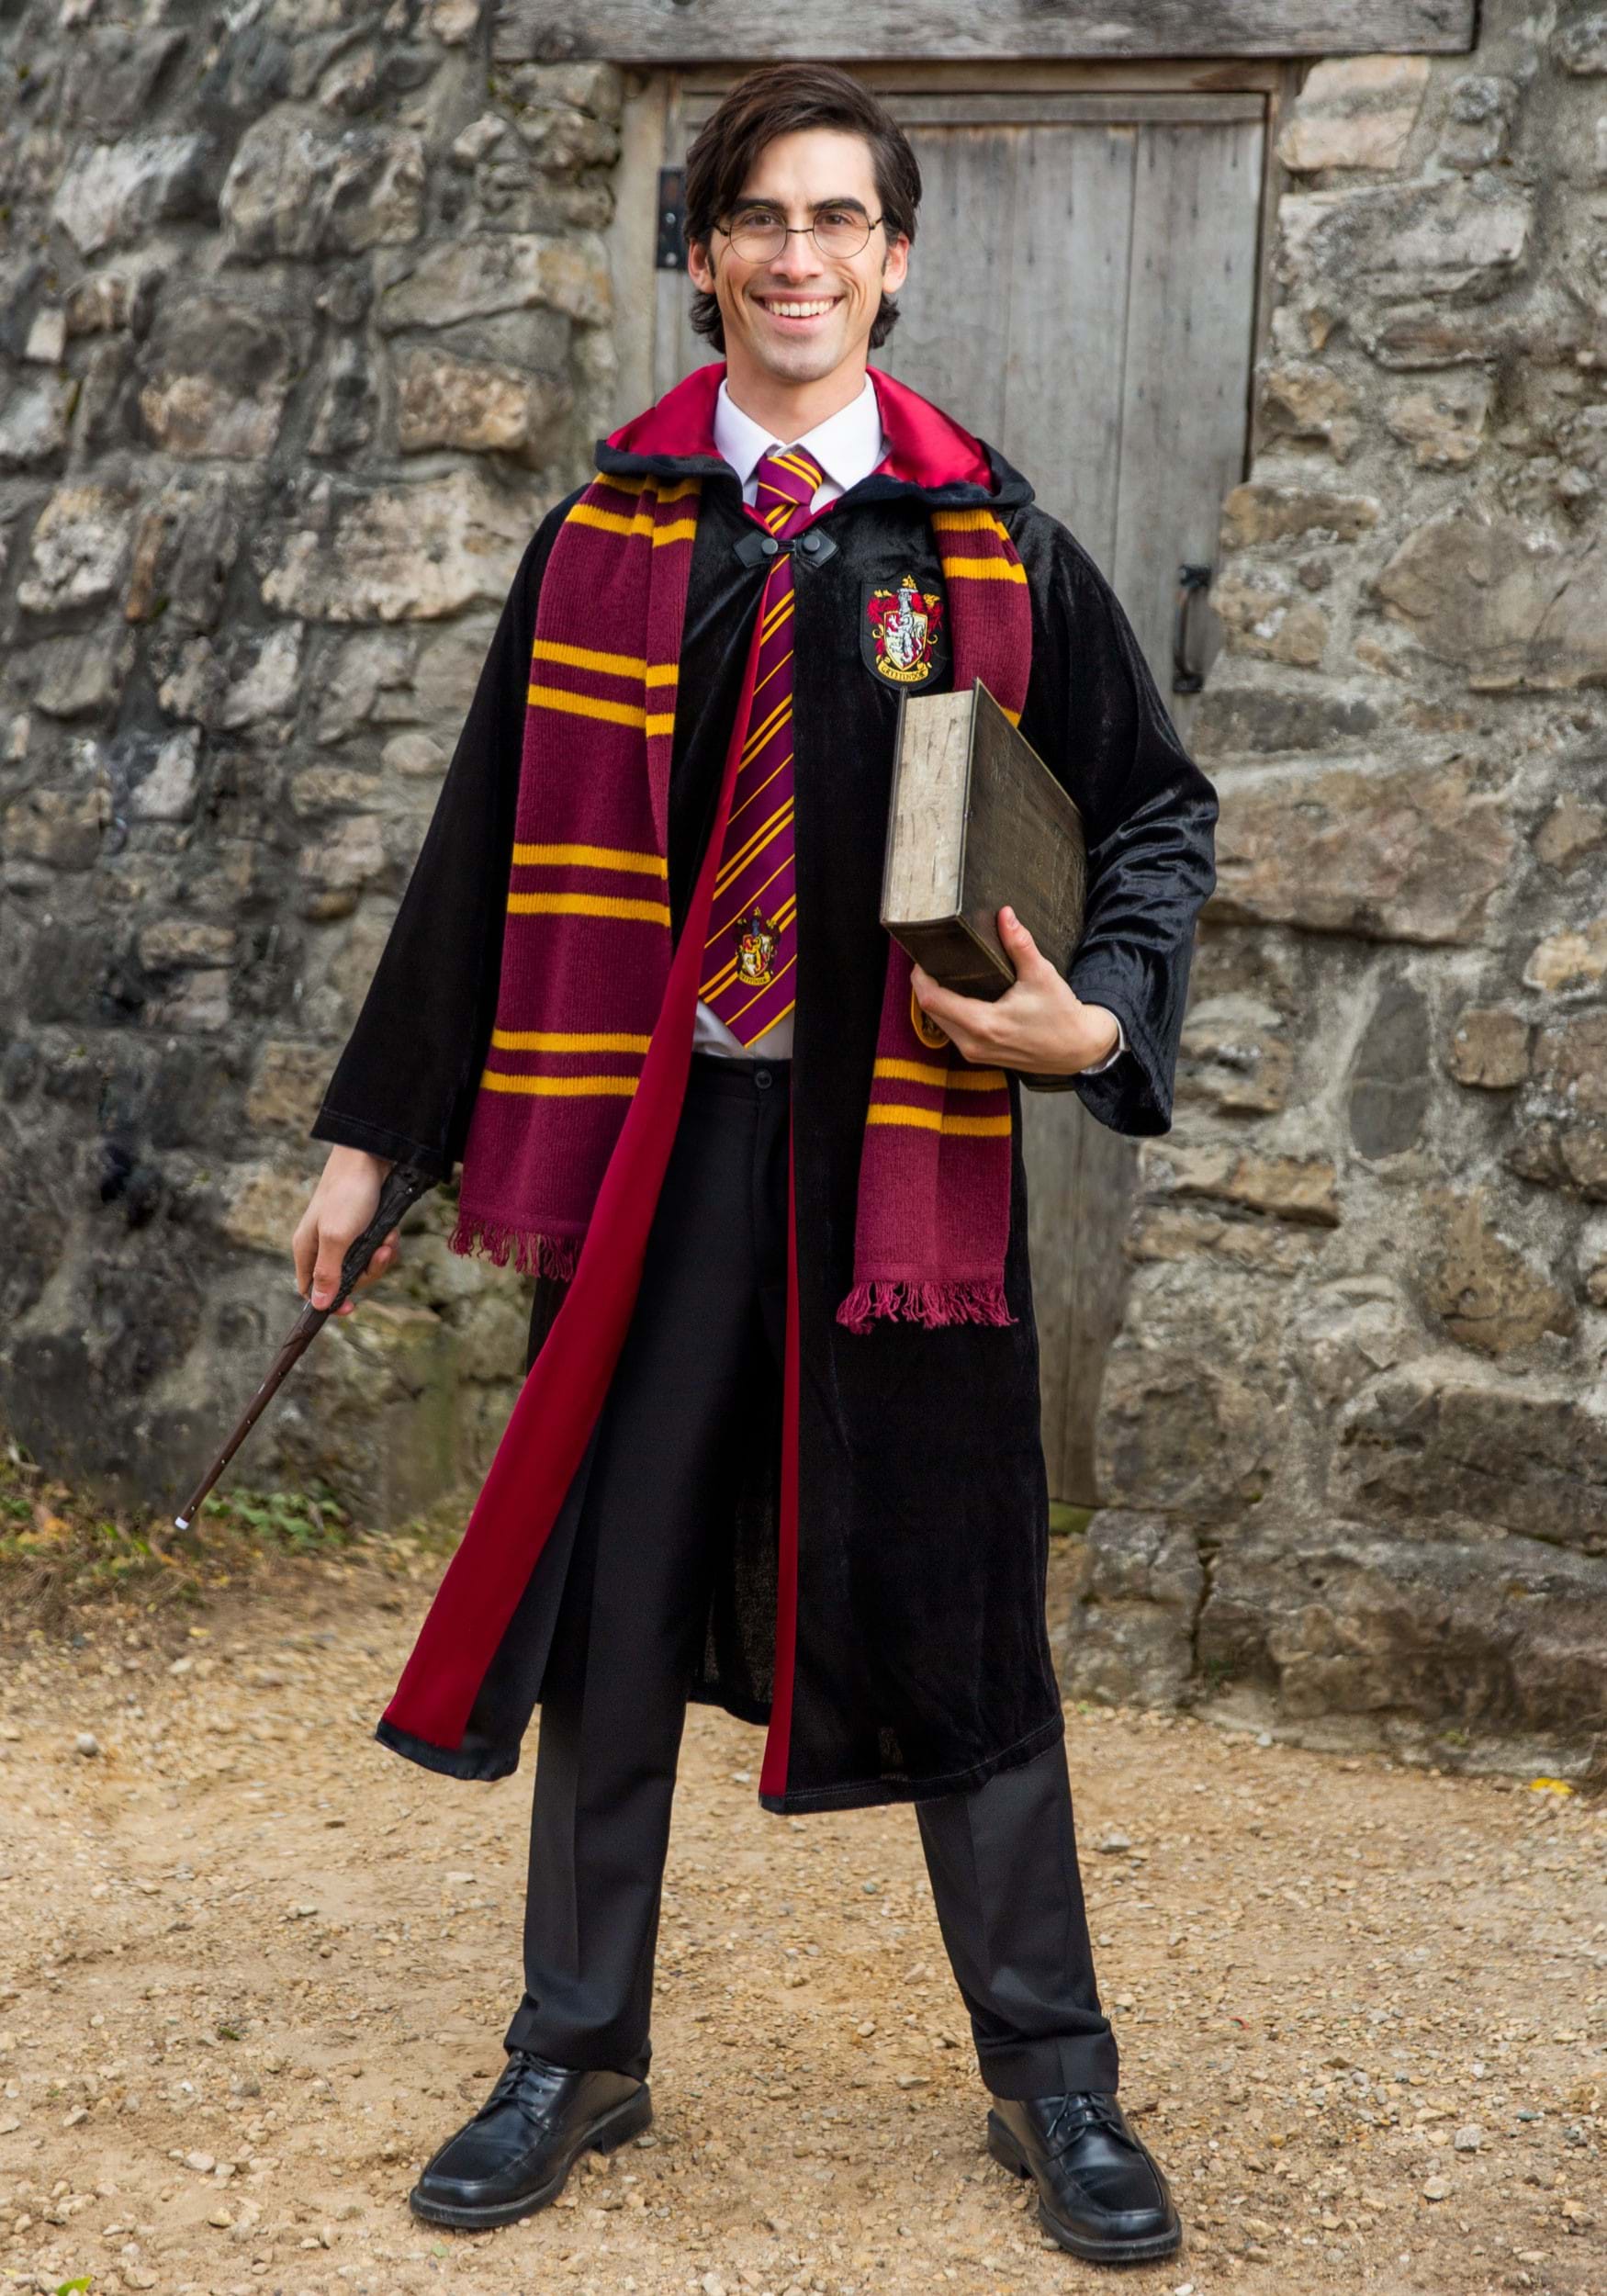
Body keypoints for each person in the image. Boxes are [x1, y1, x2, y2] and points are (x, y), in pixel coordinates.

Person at [291, 62, 1216, 2269]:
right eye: (758, 219)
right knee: (617, 1597)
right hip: (656, 1143)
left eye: (837, 221)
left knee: (961, 1592)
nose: (797, 257)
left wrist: (1097, 1020)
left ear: (893, 262)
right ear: (702, 255)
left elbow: (1153, 811)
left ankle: (1054, 2077)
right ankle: (574, 2046)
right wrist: (371, 1138)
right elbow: (478, 855)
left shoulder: (987, 544)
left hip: (898, 1164)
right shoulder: (606, 539)